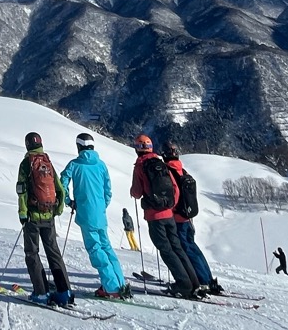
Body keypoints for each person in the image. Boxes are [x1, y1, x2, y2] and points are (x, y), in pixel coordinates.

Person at [129, 134, 205, 299]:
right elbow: (175, 189)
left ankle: (183, 285)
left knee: (166, 250)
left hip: (154, 216)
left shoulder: (140, 166)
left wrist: (136, 193)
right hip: (169, 215)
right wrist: (169, 206)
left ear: (137, 149)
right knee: (177, 248)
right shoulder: (161, 164)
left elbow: (136, 192)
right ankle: (193, 283)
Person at [61, 133, 130, 300]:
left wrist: (69, 201)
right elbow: (108, 191)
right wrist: (101, 206)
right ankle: (120, 283)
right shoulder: (101, 165)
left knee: (95, 249)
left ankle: (111, 287)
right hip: (100, 213)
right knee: (106, 247)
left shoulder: (74, 164)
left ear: (78, 146)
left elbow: (62, 184)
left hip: (85, 213)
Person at [16, 131, 73, 306]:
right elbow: (60, 188)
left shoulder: (26, 163)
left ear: (27, 145)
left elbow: (22, 191)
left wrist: (23, 214)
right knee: (53, 252)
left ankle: (41, 293)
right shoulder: (47, 162)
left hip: (32, 216)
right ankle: (65, 292)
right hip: (49, 214)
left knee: (32, 253)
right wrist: (58, 209)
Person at [163, 142, 222, 295]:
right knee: (193, 247)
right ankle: (208, 278)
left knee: (186, 249)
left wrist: (170, 209)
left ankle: (202, 280)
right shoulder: (182, 169)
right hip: (187, 217)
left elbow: (175, 195)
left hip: (177, 217)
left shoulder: (168, 171)